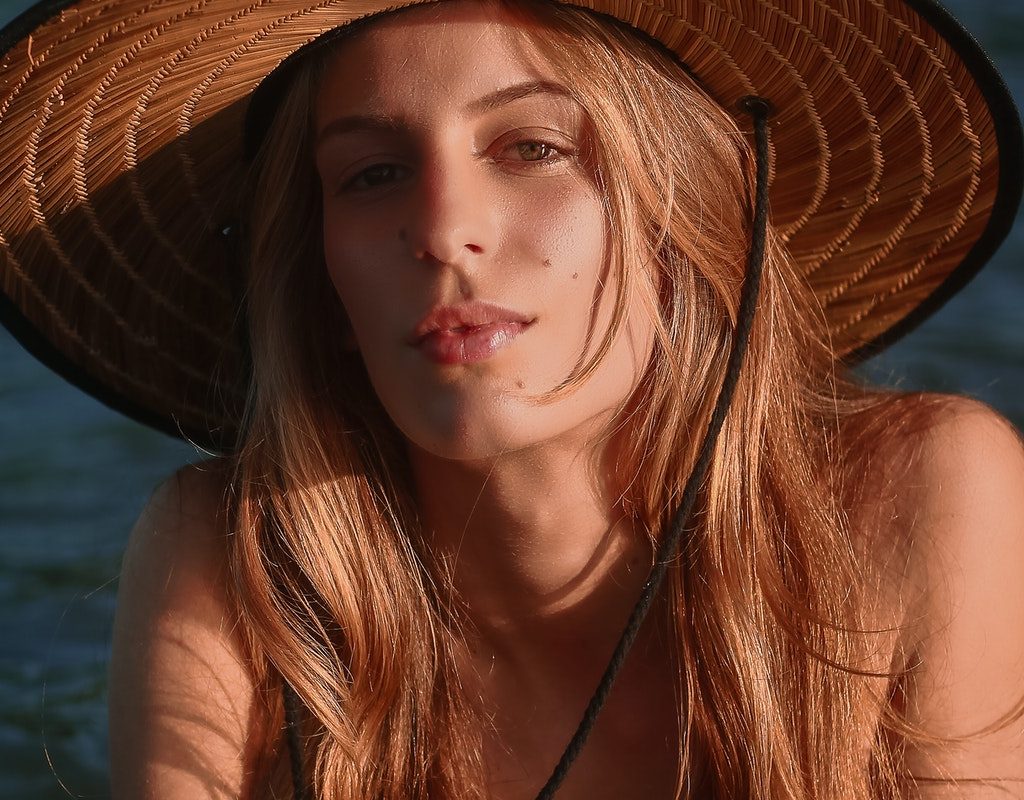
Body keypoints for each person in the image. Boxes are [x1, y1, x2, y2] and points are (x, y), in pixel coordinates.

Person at [0, 0, 1022, 797]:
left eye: (530, 147)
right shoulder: (234, 560)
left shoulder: (920, 498)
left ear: (690, 226)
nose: (443, 230)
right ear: (326, 295)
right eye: (373, 173)